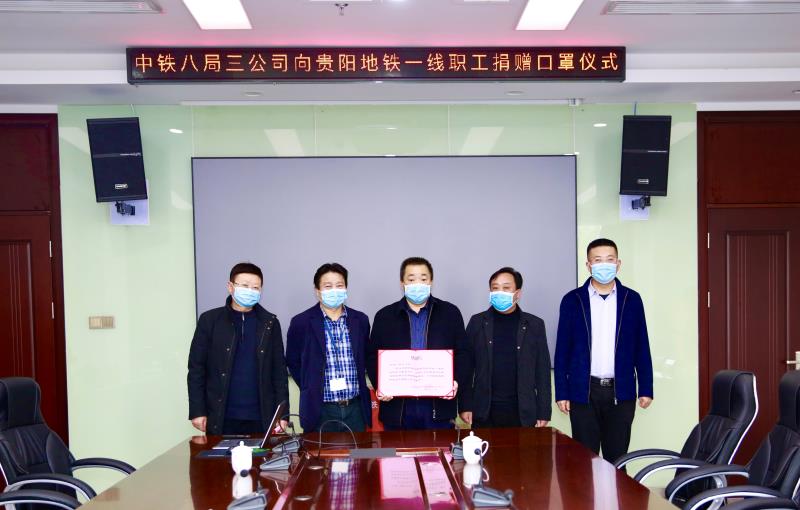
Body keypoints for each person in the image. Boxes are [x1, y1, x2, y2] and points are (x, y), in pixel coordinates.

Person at [554, 239, 653, 463]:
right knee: (584, 461)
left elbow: (642, 345)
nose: (604, 265)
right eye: (598, 260)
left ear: (618, 264)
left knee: (617, 460)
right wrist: (562, 392)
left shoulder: (632, 299)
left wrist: (646, 387)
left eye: (609, 260)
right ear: (588, 265)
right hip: (583, 391)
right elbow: (562, 351)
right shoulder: (572, 300)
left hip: (621, 392)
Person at [187, 262, 289, 435]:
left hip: (261, 416)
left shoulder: (270, 323)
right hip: (221, 415)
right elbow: (197, 368)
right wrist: (197, 410)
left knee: (262, 454)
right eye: (245, 286)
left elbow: (279, 372)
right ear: (230, 287)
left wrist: (283, 414)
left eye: (255, 287)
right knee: (218, 454)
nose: (250, 291)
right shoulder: (209, 320)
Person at [366, 257, 466, 430]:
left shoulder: (450, 313)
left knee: (440, 447)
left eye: (423, 278)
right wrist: (381, 386)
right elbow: (372, 356)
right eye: (411, 279)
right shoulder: (384, 316)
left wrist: (456, 380)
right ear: (402, 283)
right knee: (397, 448)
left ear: (431, 281)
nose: (418, 284)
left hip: (438, 406)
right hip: (398, 408)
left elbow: (464, 353)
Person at [458, 267, 551, 428]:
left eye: (506, 288)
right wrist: (465, 405)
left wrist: (543, 411)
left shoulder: (535, 325)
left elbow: (542, 371)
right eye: (495, 288)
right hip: (484, 410)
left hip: (522, 411)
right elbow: (466, 367)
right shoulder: (477, 322)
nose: (499, 292)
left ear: (518, 293)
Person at [286, 263, 372, 433]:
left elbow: (367, 356)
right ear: (317, 291)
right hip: (320, 410)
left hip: (355, 409)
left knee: (358, 450)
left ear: (346, 288)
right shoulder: (301, 322)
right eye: (328, 286)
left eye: (339, 285)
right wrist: (310, 386)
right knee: (320, 451)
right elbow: (293, 361)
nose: (334, 290)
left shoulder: (360, 320)